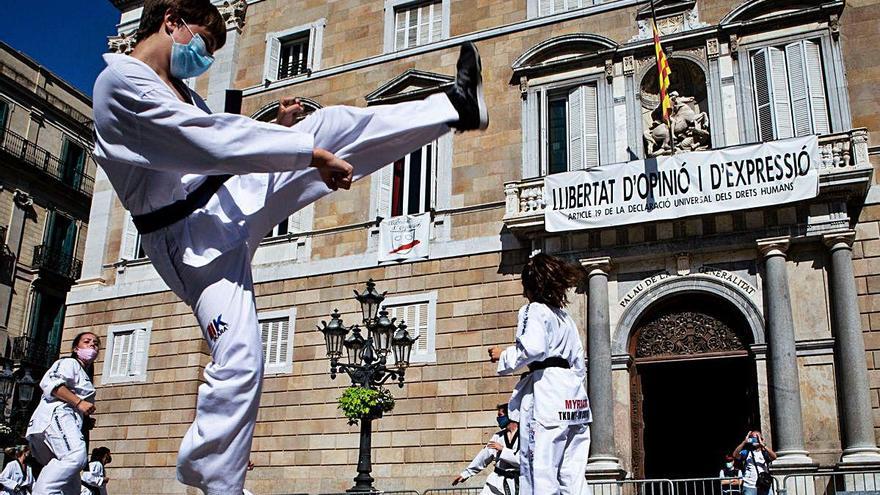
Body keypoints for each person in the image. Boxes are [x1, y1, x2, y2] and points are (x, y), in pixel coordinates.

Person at [91, 0, 488, 492]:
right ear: (171, 22)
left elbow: (216, 150)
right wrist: (305, 153)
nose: (207, 57)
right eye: (205, 44)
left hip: (224, 203)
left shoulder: (181, 91)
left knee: (330, 124)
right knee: (240, 359)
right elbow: (204, 141)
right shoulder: (119, 85)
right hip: (188, 239)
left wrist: (287, 136)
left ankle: (454, 106)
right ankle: (217, 483)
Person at [488, 254, 592, 495]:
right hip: (574, 402)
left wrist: (504, 355)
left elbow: (533, 348)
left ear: (531, 285)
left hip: (547, 398)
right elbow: (579, 363)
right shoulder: (566, 318)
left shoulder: (533, 310)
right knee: (573, 476)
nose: (524, 293)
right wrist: (570, 387)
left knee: (540, 472)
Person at [25, 332, 100, 494]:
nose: (92, 345)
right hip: (57, 415)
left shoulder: (83, 372)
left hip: (66, 421)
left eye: (95, 343)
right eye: (87, 342)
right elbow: (50, 382)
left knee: (71, 485)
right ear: (75, 348)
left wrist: (85, 419)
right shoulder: (68, 362)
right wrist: (79, 403)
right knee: (76, 456)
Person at [452, 404, 520, 495]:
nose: (498, 418)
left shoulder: (525, 436)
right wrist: (466, 474)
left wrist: (503, 450)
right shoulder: (497, 437)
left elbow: (523, 460)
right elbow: (483, 456)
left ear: (509, 415)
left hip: (520, 483)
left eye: (500, 415)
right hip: (497, 481)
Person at [733, 430, 777, 495]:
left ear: (761, 439)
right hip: (749, 485)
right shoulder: (747, 452)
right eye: (752, 437)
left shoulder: (764, 452)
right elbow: (735, 455)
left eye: (757, 438)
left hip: (764, 484)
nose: (755, 440)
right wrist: (744, 442)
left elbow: (774, 457)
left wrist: (763, 445)